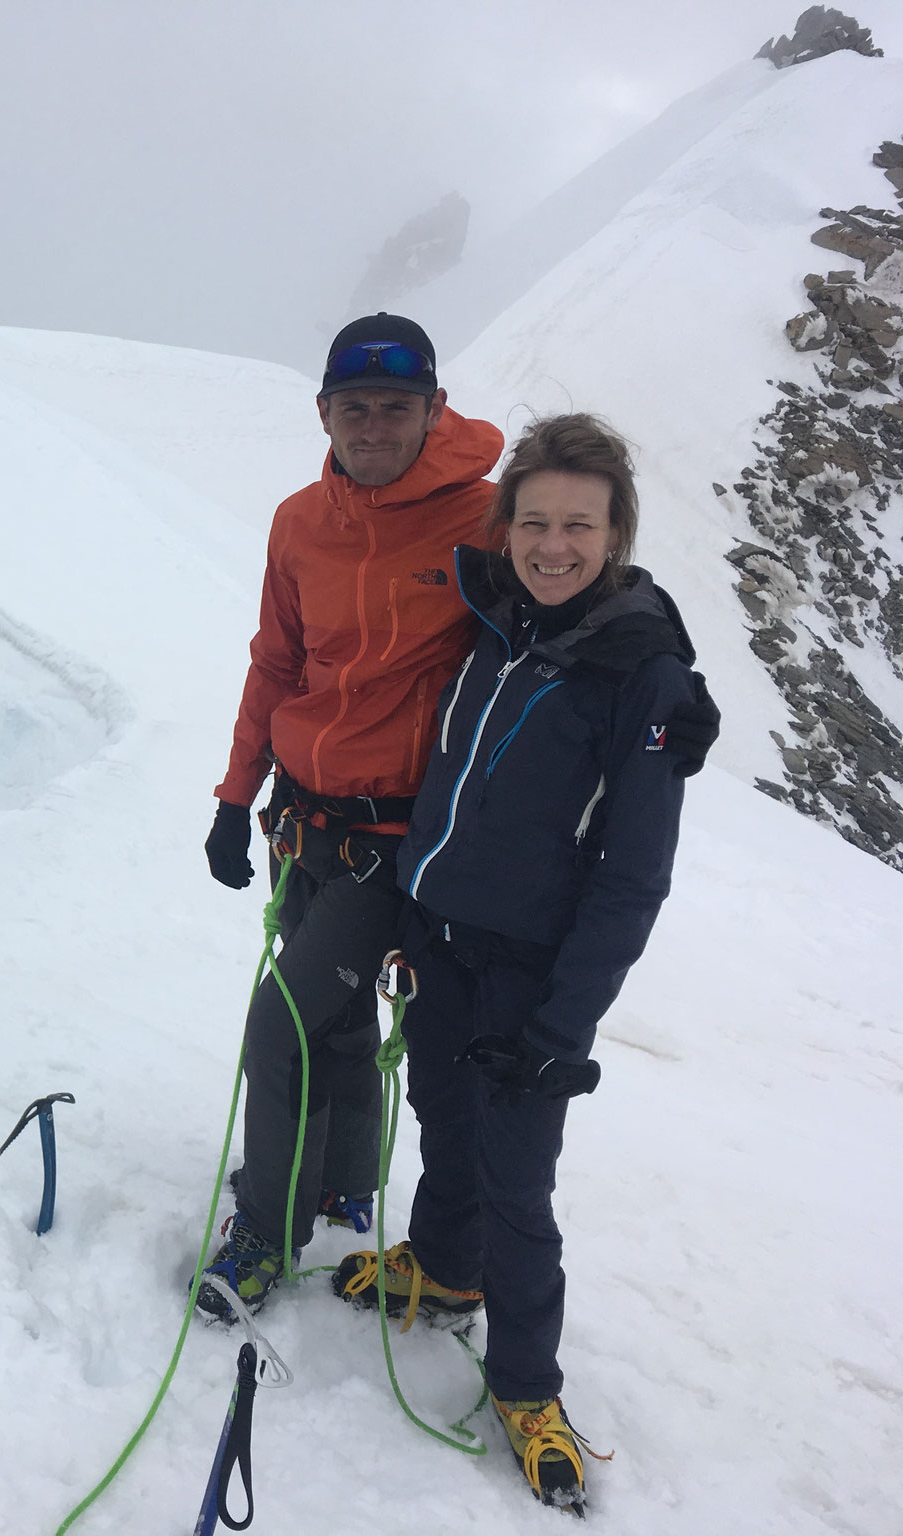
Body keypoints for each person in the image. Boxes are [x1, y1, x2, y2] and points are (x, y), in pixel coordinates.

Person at [330, 414, 699, 1512]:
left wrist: (560, 1028)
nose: (550, 544)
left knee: (515, 1184)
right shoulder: (496, 623)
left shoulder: (642, 676)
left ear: (615, 532)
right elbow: (448, 783)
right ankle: (442, 1270)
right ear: (505, 526)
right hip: (441, 938)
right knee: (443, 1115)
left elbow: (633, 876)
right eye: (532, 521)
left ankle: (526, 1384)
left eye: (575, 525)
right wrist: (411, 915)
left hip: (531, 974)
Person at [195, 313, 506, 1321]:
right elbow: (275, 663)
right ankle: (336, 1184)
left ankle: (263, 1231)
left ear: (432, 410)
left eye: (395, 406)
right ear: (323, 411)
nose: (374, 425)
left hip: (392, 840)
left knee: (280, 1019)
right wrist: (234, 799)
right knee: (330, 1020)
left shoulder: (483, 519)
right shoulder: (299, 521)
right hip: (302, 820)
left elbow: (564, 608)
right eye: (354, 406)